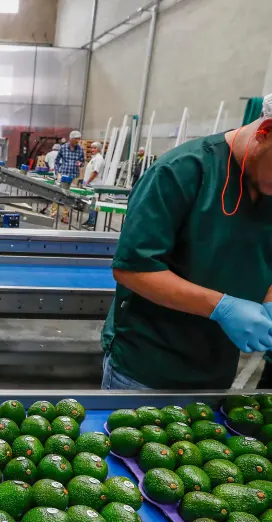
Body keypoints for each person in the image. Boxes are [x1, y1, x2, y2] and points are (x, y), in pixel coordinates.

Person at [100, 92, 272, 390]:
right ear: (264, 132)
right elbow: (132, 268)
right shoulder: (181, 171)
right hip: (149, 365)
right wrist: (222, 307)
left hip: (217, 367)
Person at [81, 141, 105, 227]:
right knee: (91, 203)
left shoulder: (99, 158)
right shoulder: (94, 158)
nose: (92, 149)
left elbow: (95, 172)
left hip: (94, 184)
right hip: (91, 183)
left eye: (94, 148)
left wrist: (87, 181)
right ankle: (90, 220)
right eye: (91, 148)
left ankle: (92, 222)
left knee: (93, 203)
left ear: (99, 149)